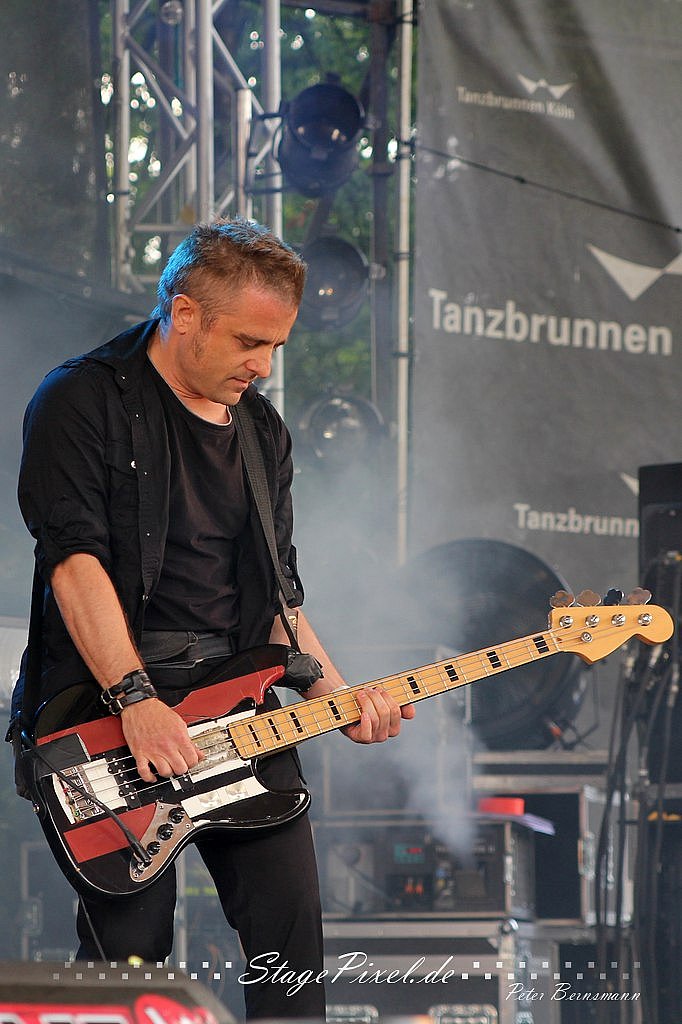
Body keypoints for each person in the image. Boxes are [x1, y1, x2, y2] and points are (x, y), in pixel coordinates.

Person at [14, 217, 414, 1019]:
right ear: (185, 313)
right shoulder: (81, 399)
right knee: (131, 966)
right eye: (249, 342)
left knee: (292, 959)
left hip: (240, 715)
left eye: (276, 347)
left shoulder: (262, 431)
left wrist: (337, 696)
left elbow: (276, 601)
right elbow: (73, 563)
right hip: (108, 716)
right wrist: (136, 700)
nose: (263, 366)